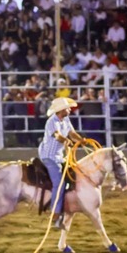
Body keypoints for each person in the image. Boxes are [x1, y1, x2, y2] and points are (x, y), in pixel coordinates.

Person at [38, 96, 85, 230]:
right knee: (59, 183)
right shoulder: (51, 122)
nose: (70, 109)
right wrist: (66, 141)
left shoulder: (65, 120)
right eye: (67, 108)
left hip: (59, 156)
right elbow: (58, 136)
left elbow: (72, 133)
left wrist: (82, 141)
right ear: (61, 110)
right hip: (49, 156)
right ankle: (55, 213)